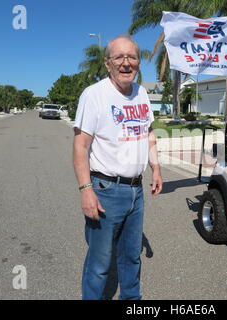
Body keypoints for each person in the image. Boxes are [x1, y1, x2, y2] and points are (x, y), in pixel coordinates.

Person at [72, 35, 163, 300]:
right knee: (100, 265)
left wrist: (155, 167)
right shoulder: (94, 95)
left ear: (138, 62)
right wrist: (86, 190)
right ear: (107, 63)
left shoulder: (141, 92)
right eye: (119, 57)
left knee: (131, 258)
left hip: (136, 192)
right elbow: (80, 147)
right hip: (105, 191)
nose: (126, 63)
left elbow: (148, 132)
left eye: (132, 57)